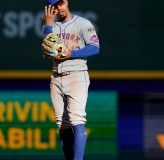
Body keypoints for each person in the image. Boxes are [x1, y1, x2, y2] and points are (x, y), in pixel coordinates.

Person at [42, 0, 100, 159]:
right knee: (62, 123)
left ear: (66, 2)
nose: (58, 7)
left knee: (77, 118)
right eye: (54, 5)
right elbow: (47, 51)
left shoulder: (82, 23)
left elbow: (95, 47)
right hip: (56, 75)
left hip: (77, 73)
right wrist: (47, 27)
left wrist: (71, 54)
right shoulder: (50, 27)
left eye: (60, 3)